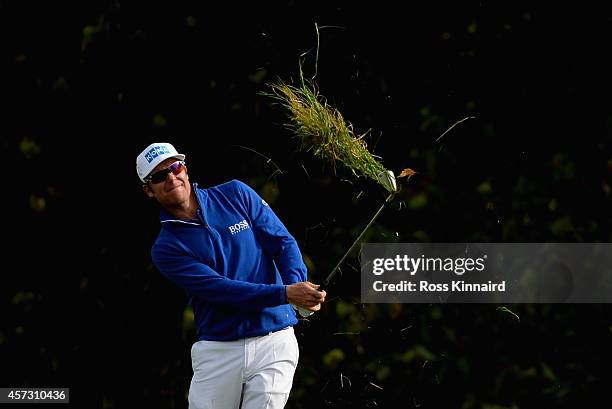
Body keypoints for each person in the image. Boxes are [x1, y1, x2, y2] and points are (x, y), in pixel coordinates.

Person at [136, 142, 325, 409]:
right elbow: (222, 290)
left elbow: (282, 242)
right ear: (149, 190)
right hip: (219, 350)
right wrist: (286, 294)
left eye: (175, 167)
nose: (171, 177)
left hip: (274, 341)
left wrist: (297, 287)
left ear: (185, 169)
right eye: (159, 176)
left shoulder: (236, 193)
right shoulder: (166, 248)